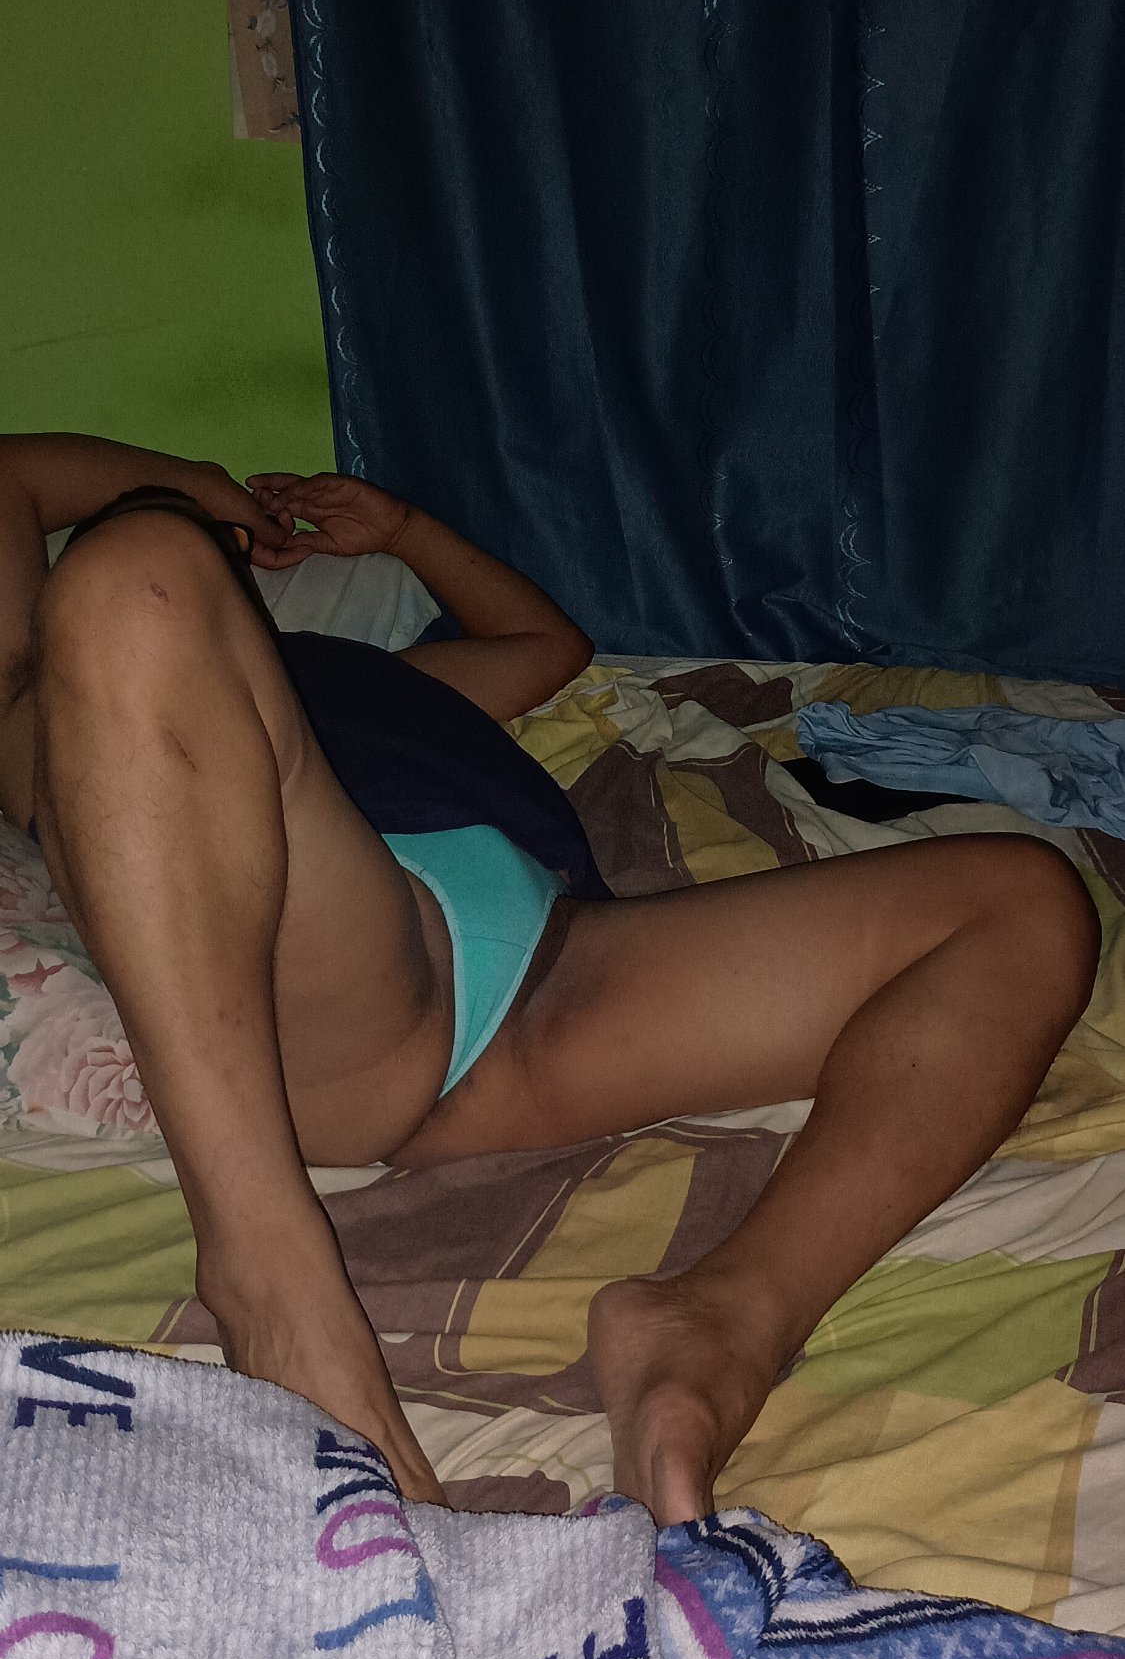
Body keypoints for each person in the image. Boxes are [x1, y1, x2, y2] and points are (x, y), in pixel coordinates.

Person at [0, 432, 1101, 1527]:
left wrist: (403, 531)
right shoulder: (40, 714)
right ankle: (267, 1270)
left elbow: (549, 646)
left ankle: (722, 1323)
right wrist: (187, 490)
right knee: (133, 583)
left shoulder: (366, 674)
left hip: (555, 968)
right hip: (339, 984)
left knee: (1021, 903)